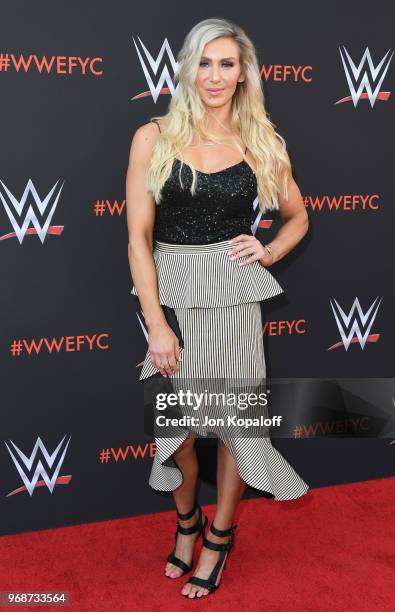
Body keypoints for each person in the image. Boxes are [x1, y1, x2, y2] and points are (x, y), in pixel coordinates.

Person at [126, 17, 310, 600]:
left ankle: (219, 540)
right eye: (204, 62)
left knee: (236, 428)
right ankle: (188, 523)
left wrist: (270, 248)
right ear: (186, 68)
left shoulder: (262, 141)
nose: (215, 75)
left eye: (227, 63)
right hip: (174, 296)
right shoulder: (153, 137)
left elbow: (298, 215)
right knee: (177, 430)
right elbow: (137, 239)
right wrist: (156, 324)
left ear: (243, 72)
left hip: (234, 300)